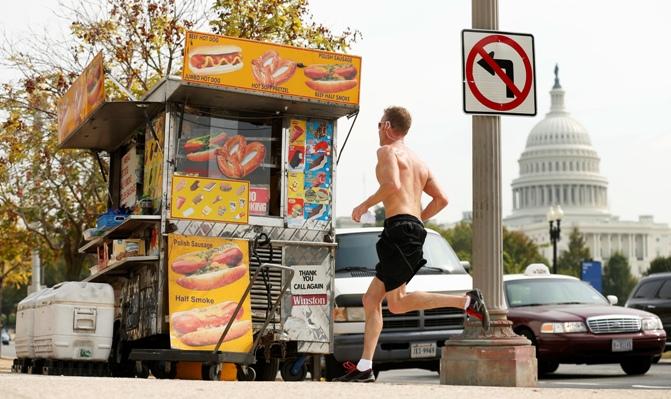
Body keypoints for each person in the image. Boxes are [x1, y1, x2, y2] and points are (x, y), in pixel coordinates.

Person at [334, 106, 490, 383]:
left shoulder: (387, 152)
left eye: (379, 124)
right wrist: (417, 219)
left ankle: (466, 301)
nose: (378, 129)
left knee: (381, 300)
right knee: (388, 302)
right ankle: (365, 366)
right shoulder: (420, 162)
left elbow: (392, 184)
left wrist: (363, 204)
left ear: (387, 126)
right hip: (412, 230)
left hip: (399, 230)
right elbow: (442, 199)